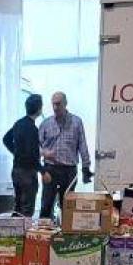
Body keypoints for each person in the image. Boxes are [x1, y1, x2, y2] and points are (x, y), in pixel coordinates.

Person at [38, 92, 91, 220]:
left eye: (58, 104)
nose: (55, 107)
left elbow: (82, 145)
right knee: (46, 205)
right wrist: (44, 156)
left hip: (69, 171)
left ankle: (66, 235)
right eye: (53, 105)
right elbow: (36, 147)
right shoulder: (46, 123)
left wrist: (86, 168)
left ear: (65, 104)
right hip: (50, 170)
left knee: (67, 206)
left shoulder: (76, 122)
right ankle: (43, 236)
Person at [3, 94, 42, 218]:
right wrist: (42, 170)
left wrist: (16, 152)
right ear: (39, 109)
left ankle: (14, 235)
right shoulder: (33, 129)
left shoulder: (18, 124)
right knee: (27, 209)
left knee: (18, 206)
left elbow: (6, 139)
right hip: (28, 173)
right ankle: (23, 235)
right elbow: (32, 154)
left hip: (16, 170)